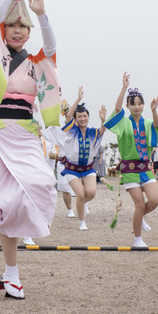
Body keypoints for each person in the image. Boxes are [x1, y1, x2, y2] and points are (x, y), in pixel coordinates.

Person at [0, 0, 61, 299]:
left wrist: (41, 15)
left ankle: (11, 268)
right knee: (5, 203)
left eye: (22, 26)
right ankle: (11, 273)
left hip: (26, 133)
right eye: (12, 25)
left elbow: (52, 47)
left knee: (42, 183)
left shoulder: (37, 63)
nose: (16, 30)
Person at [104, 73, 158, 247]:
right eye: (133, 104)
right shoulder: (123, 123)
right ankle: (138, 240)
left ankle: (140, 217)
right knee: (139, 205)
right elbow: (118, 110)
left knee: (154, 201)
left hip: (146, 167)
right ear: (128, 106)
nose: (137, 107)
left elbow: (157, 126)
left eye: (139, 103)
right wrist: (124, 88)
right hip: (129, 169)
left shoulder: (149, 122)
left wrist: (154, 110)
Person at [43, 87, 106, 231]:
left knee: (91, 193)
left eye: (85, 116)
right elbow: (68, 115)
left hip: (88, 169)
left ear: (88, 117)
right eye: (80, 117)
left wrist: (103, 120)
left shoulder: (92, 132)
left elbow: (102, 131)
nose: (82, 119)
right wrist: (78, 99)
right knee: (81, 194)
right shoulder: (71, 131)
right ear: (76, 119)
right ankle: (82, 221)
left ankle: (81, 203)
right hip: (72, 170)